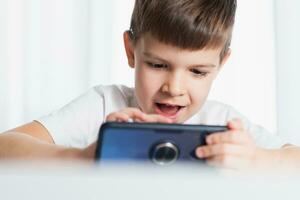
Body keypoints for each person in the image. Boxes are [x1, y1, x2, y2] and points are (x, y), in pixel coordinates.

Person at [0, 0, 299, 170]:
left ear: (220, 65)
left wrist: (257, 159)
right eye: (158, 65)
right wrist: (83, 158)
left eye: (197, 71)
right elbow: (5, 146)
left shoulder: (223, 124)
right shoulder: (103, 106)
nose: (174, 87)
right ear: (131, 52)